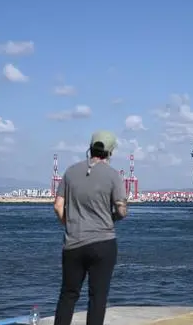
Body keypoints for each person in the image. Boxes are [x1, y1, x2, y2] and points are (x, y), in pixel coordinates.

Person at [53, 130, 128, 325]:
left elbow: (58, 206)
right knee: (98, 297)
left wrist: (70, 224)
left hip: (73, 243)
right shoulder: (113, 175)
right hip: (103, 243)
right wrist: (110, 218)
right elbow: (121, 210)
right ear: (110, 151)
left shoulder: (70, 171)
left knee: (68, 294)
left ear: (91, 146)